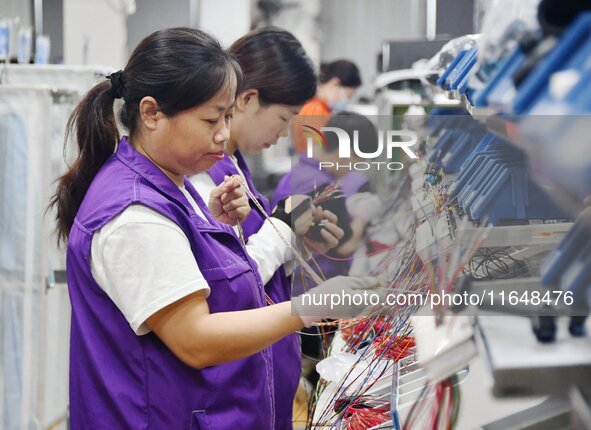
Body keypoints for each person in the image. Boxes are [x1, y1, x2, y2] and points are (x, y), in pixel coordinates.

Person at [50, 28, 382, 429]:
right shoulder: (133, 214)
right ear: (152, 113)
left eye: (227, 117)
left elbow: (201, 289)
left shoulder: (178, 184)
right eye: (211, 119)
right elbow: (195, 340)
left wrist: (220, 236)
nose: (224, 134)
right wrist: (309, 307)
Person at [190, 27, 343, 429]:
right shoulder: (202, 176)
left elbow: (253, 261)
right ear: (248, 99)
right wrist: (284, 225)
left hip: (258, 387)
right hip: (227, 394)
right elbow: (229, 287)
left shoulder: (234, 166)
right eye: (283, 119)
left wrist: (296, 237)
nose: (282, 134)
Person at [292, 59, 362, 153]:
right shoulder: (315, 111)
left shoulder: (319, 107)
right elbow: (319, 153)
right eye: (348, 95)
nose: (347, 101)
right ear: (335, 83)